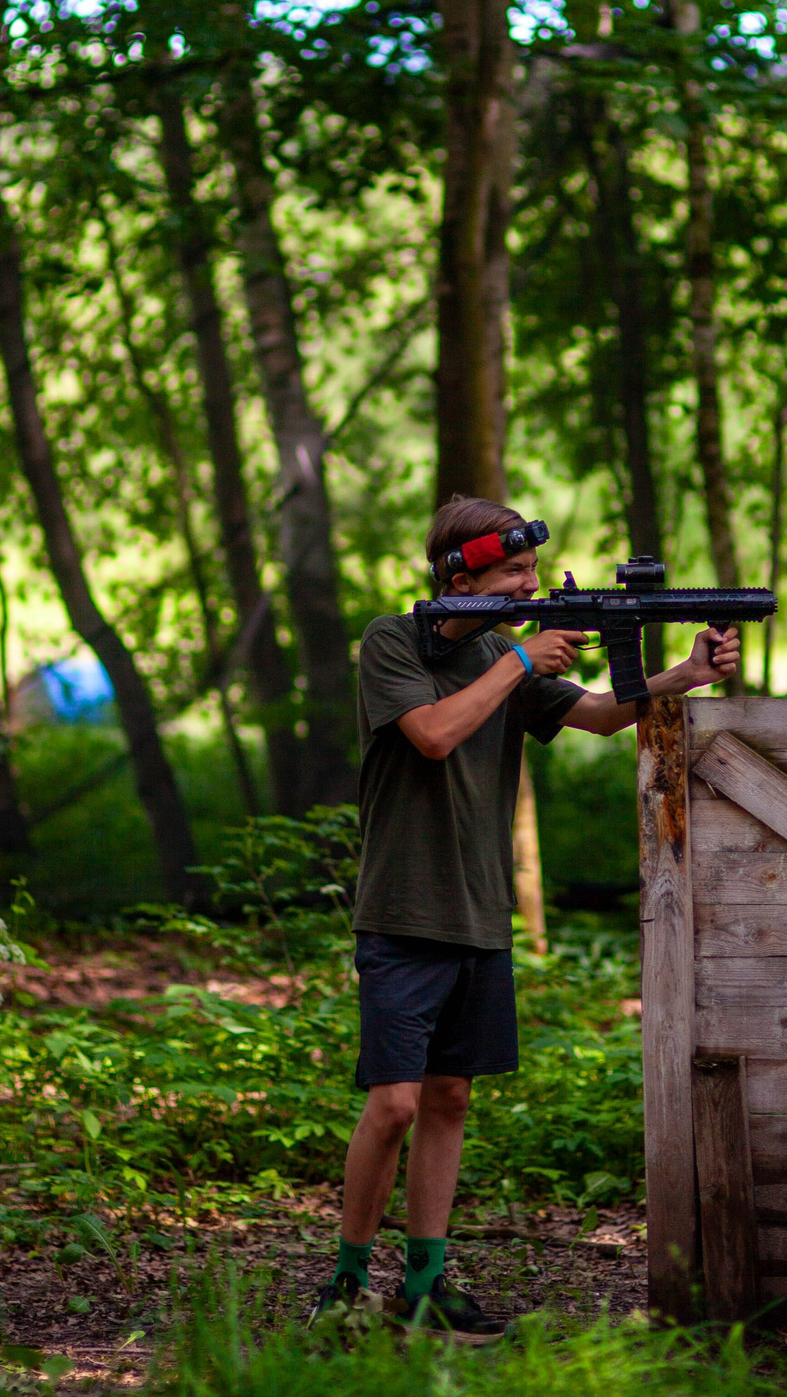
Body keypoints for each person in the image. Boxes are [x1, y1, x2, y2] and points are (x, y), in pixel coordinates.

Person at [312, 495, 741, 1341]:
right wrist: (515, 658)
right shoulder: (392, 640)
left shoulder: (504, 656)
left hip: (478, 910)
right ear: (457, 575)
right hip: (401, 909)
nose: (531, 587)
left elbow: (595, 713)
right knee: (393, 1101)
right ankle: (347, 1282)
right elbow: (432, 733)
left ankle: (426, 1283)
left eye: (535, 573)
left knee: (450, 1096)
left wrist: (683, 675)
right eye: (514, 574)